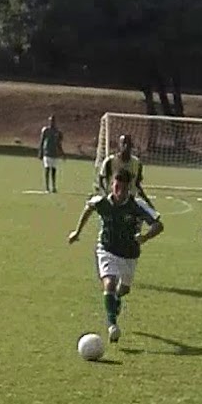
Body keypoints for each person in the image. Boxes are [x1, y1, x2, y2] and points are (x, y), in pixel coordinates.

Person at [69, 165, 163, 342]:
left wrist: (145, 237)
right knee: (110, 282)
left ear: (129, 188)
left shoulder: (137, 205)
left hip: (130, 254)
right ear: (112, 185)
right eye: (116, 186)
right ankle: (112, 324)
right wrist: (77, 232)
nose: (119, 191)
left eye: (124, 187)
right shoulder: (102, 202)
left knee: (123, 290)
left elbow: (159, 225)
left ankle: (115, 301)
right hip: (107, 249)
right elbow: (88, 208)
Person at [98, 132, 155, 214]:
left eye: (128, 143)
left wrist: (148, 202)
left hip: (130, 203)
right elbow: (100, 180)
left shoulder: (137, 163)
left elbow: (137, 185)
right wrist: (105, 195)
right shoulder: (110, 161)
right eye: (123, 143)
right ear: (119, 145)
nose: (126, 146)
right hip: (113, 201)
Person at [39, 114, 64, 193]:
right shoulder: (45, 130)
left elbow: (59, 144)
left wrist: (62, 153)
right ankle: (47, 187)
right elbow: (42, 141)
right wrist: (40, 152)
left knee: (53, 170)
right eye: (51, 121)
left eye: (53, 121)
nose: (52, 122)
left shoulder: (58, 132)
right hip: (47, 152)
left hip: (55, 153)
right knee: (47, 169)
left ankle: (53, 186)